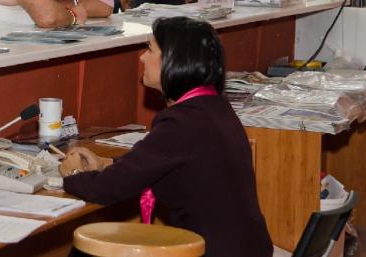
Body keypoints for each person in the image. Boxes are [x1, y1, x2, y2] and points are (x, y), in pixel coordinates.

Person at [60, 17, 272, 257]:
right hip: (246, 249)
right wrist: (105, 163)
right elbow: (157, 164)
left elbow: (106, 189)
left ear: (174, 62)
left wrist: (74, 173)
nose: (141, 57)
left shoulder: (182, 123)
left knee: (85, 250)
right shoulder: (213, 107)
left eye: (150, 49)